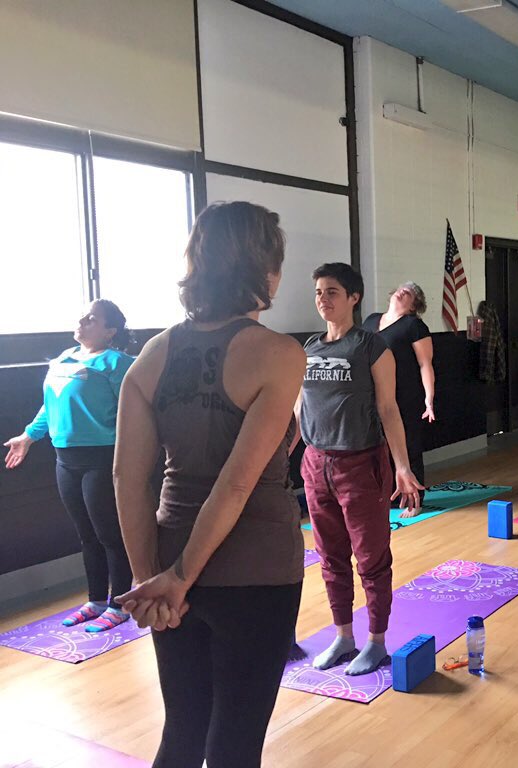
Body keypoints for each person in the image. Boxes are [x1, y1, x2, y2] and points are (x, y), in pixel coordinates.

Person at [113, 202, 307, 768]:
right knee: (235, 743)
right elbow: (237, 485)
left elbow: (128, 478)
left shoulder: (150, 356)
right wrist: (173, 577)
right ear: (263, 267)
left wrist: (152, 576)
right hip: (256, 571)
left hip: (170, 558)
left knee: (184, 731)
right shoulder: (278, 353)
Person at [297, 262, 423, 674]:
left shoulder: (371, 347)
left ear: (353, 298)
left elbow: (389, 409)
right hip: (317, 465)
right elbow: (300, 410)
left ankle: (376, 641)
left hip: (360, 465)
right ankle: (343, 636)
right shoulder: (309, 349)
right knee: (329, 557)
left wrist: (402, 467)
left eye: (332, 291)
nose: (323, 299)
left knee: (371, 559)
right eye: (318, 291)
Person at [4, 301, 134, 632]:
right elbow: (50, 407)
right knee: (86, 535)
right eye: (83, 316)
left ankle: (119, 602)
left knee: (109, 534)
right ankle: (94, 600)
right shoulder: (63, 359)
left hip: (101, 458)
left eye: (92, 319)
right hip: (66, 459)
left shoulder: (116, 363)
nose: (82, 321)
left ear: (110, 331)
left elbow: (133, 412)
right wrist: (28, 437)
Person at [362, 282, 435, 517]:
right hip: (372, 393)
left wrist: (429, 399)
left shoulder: (414, 325)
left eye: (410, 292)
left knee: (408, 444)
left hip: (404, 393)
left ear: (414, 305)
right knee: (377, 445)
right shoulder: (371, 320)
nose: (403, 291)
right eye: (401, 288)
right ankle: (387, 494)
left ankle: (414, 499)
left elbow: (425, 364)